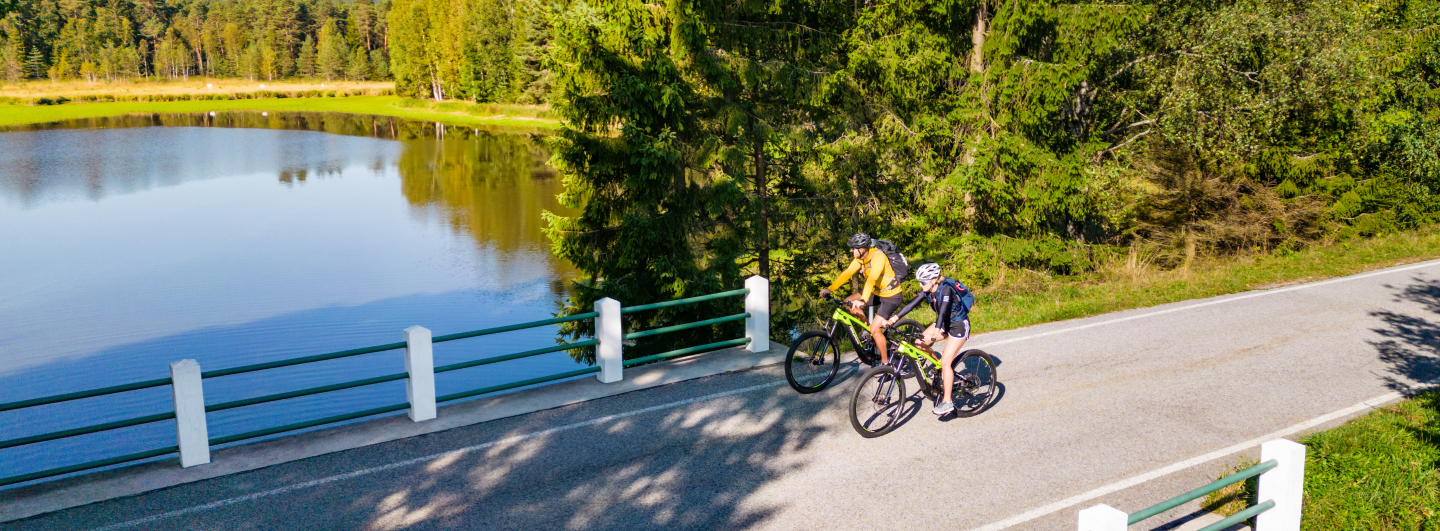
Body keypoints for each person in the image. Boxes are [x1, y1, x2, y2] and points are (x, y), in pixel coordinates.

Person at [886, 263, 975, 416]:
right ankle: (939, 367)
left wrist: (936, 332)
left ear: (934, 280)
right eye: (919, 282)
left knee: (946, 363)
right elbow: (911, 305)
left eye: (923, 282)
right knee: (919, 344)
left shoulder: (946, 289)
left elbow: (943, 312)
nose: (920, 285)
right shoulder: (928, 291)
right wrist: (893, 319)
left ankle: (947, 402)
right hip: (945, 323)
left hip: (958, 325)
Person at [819, 233, 906, 365]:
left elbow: (872, 279)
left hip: (891, 296)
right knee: (848, 303)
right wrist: (830, 289)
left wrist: (863, 300)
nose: (851, 250)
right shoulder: (860, 259)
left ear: (862, 249)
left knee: (876, 330)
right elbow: (847, 273)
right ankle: (868, 329)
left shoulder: (878, 257)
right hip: (877, 292)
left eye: (854, 248)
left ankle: (885, 364)